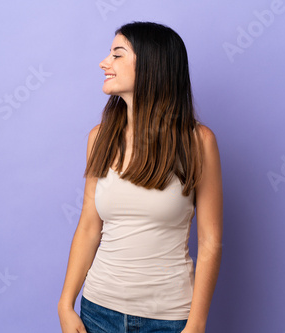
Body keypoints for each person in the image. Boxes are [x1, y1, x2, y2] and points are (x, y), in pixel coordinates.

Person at [58, 21, 223, 333]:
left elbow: (211, 241)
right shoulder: (100, 137)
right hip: (97, 312)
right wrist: (66, 303)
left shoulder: (198, 142)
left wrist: (196, 324)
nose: (104, 63)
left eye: (117, 55)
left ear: (151, 65)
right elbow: (89, 227)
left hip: (169, 319)